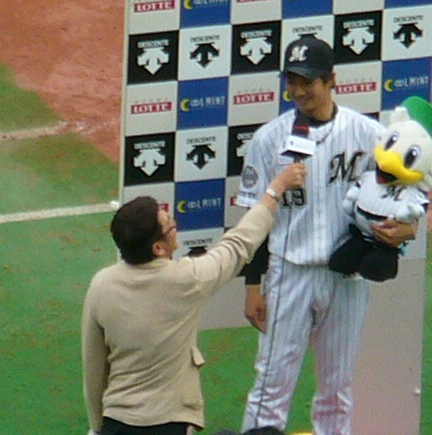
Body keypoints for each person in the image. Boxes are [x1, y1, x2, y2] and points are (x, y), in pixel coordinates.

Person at [238, 36, 416, 435]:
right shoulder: (269, 140)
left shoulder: (368, 134)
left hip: (345, 278)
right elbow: (256, 220)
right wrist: (252, 285)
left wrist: (408, 229)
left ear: (331, 80)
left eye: (308, 81)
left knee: (337, 386)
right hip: (289, 274)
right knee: (271, 383)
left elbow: (402, 198)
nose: (298, 90)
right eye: (292, 81)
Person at [81, 163, 307, 435]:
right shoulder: (187, 279)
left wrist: (97, 428)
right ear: (158, 248)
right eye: (170, 226)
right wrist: (276, 188)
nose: (175, 226)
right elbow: (239, 243)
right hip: (169, 424)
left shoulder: (100, 285)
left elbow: (94, 369)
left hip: (116, 422)